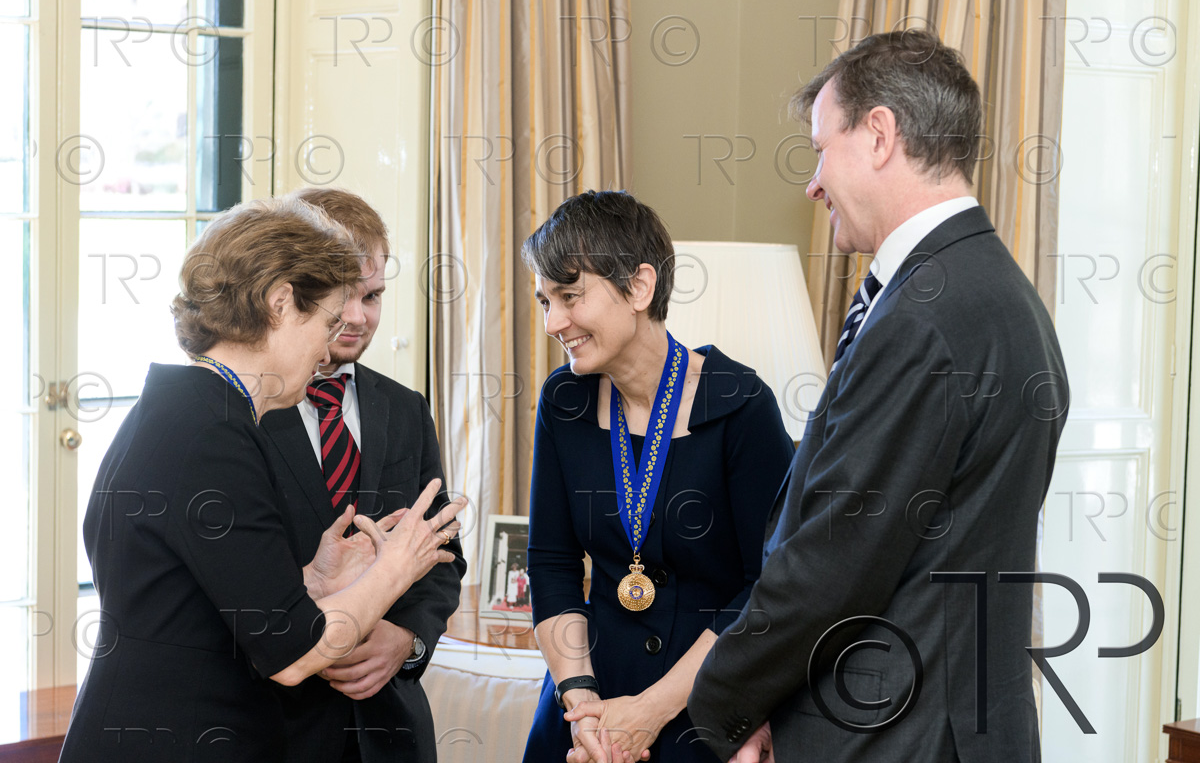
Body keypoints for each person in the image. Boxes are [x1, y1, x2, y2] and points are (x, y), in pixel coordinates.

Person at [686, 30, 1069, 762]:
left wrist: (725, 705)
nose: (812, 183)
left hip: (895, 735)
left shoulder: (923, 317)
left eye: (820, 149)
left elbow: (836, 563)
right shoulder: (1002, 295)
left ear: (880, 134)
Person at [60, 197, 466, 763]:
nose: (327, 346)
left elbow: (202, 597)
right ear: (279, 305)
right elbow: (295, 655)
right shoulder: (214, 432)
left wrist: (311, 581)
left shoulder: (185, 406)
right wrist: (395, 565)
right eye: (326, 322)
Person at [520, 190, 795, 763]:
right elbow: (551, 564)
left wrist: (648, 712)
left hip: (699, 706)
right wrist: (581, 701)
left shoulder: (741, 404)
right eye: (546, 301)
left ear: (640, 287)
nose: (552, 323)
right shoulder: (563, 401)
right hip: (584, 709)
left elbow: (767, 589)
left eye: (570, 296)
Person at [259, 187, 466, 763]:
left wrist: (407, 640)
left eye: (372, 295)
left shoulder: (406, 408)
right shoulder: (248, 412)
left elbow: (443, 555)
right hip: (277, 726)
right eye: (342, 295)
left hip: (389, 728)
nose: (358, 316)